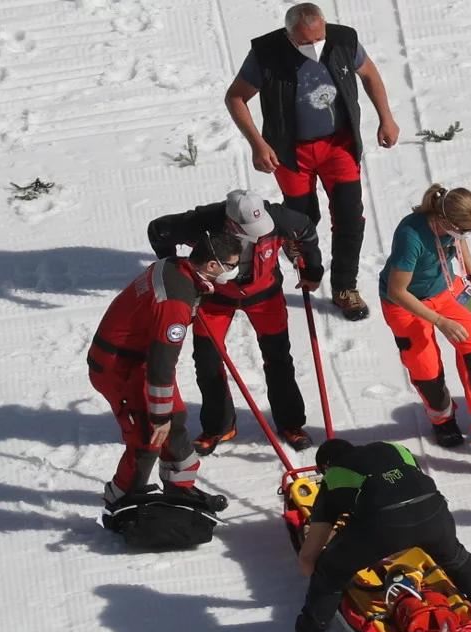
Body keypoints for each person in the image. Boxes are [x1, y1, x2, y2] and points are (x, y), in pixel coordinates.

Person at [224, 2, 399, 322]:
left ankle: (345, 287)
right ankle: (301, 256)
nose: (314, 47)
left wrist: (386, 118)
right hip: (292, 152)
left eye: (319, 38)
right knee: (303, 218)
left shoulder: (344, 41)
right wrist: (257, 143)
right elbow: (235, 97)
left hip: (338, 146)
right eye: (305, 42)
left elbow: (370, 75)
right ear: (289, 35)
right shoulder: (266, 54)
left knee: (349, 217)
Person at [269, 439, 471, 632]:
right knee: (455, 557)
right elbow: (404, 489)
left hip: (383, 525)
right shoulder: (396, 449)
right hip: (434, 512)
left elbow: (309, 556)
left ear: (326, 467)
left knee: (330, 573)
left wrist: (322, 573)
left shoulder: (334, 477)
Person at [148, 190, 325, 455]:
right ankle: (219, 426)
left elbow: (307, 231)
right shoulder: (205, 221)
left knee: (278, 357)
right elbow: (159, 230)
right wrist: (179, 276)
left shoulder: (278, 217)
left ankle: (290, 424)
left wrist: (313, 270)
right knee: (207, 360)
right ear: (230, 222)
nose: (258, 232)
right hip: (216, 298)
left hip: (265, 295)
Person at [379, 184, 471, 475]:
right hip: (408, 304)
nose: (464, 235)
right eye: (461, 229)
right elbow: (398, 291)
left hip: (447, 291)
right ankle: (442, 419)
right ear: (443, 220)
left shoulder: (452, 227)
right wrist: (440, 322)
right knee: (425, 368)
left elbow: (460, 243)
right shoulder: (411, 236)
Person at [88, 231, 243, 508]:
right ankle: (122, 500)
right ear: (211, 265)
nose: (232, 271)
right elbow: (162, 365)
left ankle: (180, 489)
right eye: (230, 266)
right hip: (119, 368)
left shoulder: (174, 265)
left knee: (176, 419)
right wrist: (159, 416)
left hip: (138, 359)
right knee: (149, 436)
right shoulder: (174, 305)